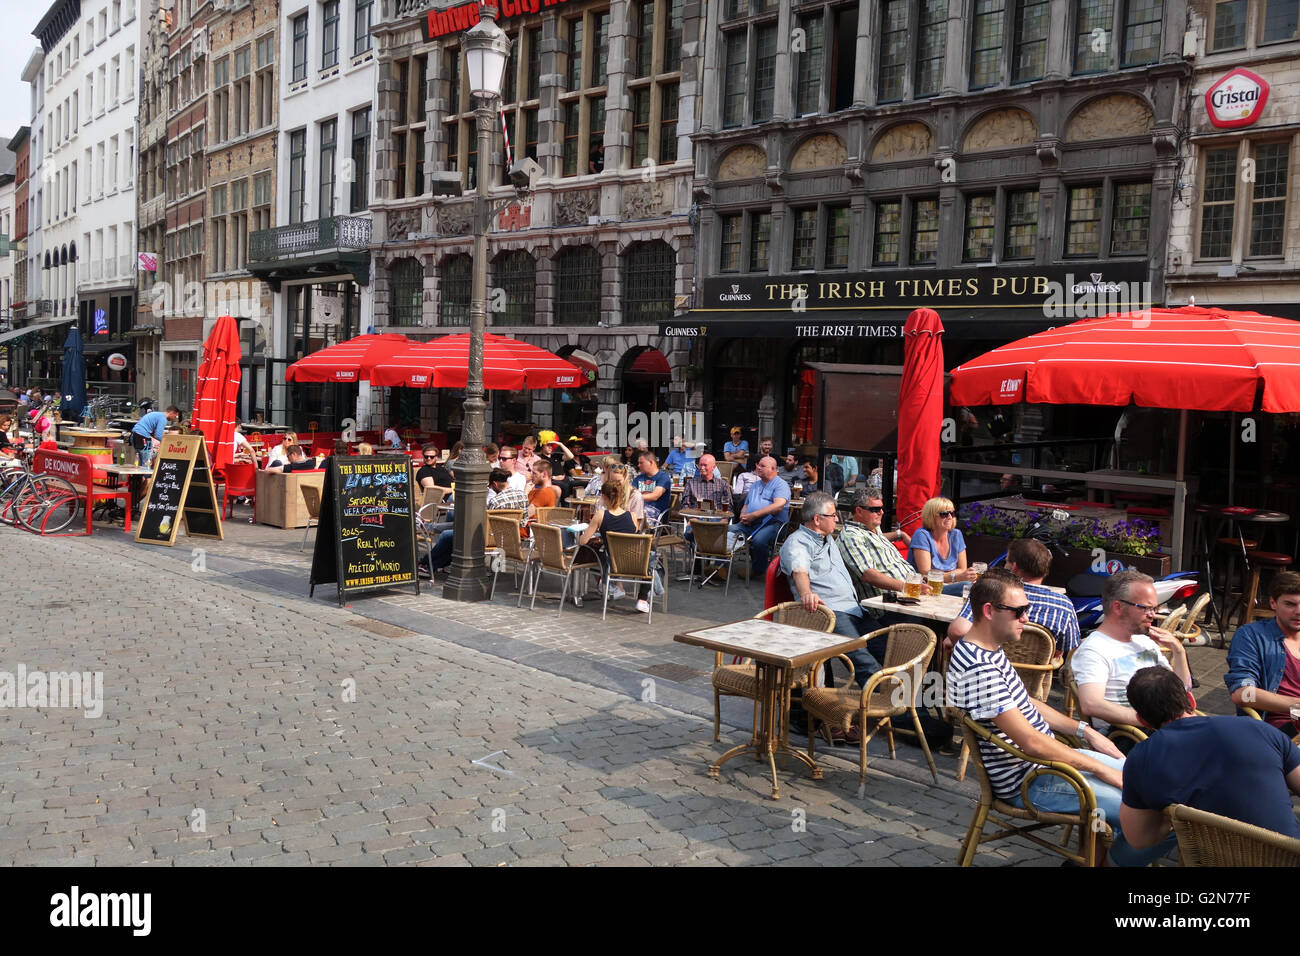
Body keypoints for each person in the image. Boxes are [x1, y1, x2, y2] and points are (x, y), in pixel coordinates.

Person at [946, 569, 1168, 866]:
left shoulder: (987, 650)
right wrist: (1101, 769)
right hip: (1029, 780)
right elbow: (1031, 743)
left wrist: (1085, 731)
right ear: (989, 611)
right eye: (1020, 611)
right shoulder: (979, 666)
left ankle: (1095, 860)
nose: (1027, 616)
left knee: (1157, 789)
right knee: (1157, 815)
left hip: (1049, 766)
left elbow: (1028, 703)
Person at [1119, 666, 1300, 848]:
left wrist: (1171, 816)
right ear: (1191, 699)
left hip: (1211, 859)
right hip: (1288, 855)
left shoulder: (1141, 760)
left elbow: (1139, 840)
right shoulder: (1259, 729)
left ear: (1142, 720)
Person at [780, 491, 884, 683]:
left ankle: (913, 710)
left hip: (856, 610)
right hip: (832, 613)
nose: (837, 519)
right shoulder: (798, 542)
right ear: (817, 519)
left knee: (893, 652)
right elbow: (799, 571)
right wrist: (807, 594)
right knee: (865, 664)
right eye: (833, 515)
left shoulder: (828, 538)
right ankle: (883, 710)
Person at [1072, 569, 1191, 735]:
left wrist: (1178, 651)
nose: (1153, 615)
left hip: (1165, 728)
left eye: (1155, 608)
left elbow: (1182, 691)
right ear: (1118, 607)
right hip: (1132, 735)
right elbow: (1091, 703)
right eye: (1146, 608)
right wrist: (1152, 720)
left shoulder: (1143, 640)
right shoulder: (1094, 650)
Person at [946, 537, 1081, 658]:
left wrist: (983, 654)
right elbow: (1065, 651)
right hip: (1034, 680)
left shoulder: (988, 591)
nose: (1005, 566)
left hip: (986, 670)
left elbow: (958, 631)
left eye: (1006, 562)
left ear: (1014, 567)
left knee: (948, 643)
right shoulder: (1064, 605)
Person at [1225, 571, 1300, 732]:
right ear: (1273, 603)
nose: (1298, 611)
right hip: (1276, 731)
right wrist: (1296, 706)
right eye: (1290, 604)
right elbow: (1242, 694)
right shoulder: (1251, 635)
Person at [837, 490, 915, 606]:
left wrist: (900, 534)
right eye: (876, 510)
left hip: (910, 594)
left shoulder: (872, 528)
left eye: (881, 508)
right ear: (859, 511)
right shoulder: (851, 536)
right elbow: (868, 575)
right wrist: (907, 587)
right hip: (893, 603)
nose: (882, 513)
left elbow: (873, 539)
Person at [731, 455, 789, 574]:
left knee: (759, 540)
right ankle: (720, 568)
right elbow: (746, 505)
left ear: (773, 469)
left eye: (762, 466)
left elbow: (778, 506)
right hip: (750, 522)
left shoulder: (781, 484)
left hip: (772, 524)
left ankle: (757, 569)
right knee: (725, 531)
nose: (758, 467)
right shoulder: (755, 485)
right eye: (758, 465)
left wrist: (754, 515)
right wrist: (743, 515)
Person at [908, 496, 978, 590]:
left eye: (952, 513)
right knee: (969, 588)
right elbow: (926, 574)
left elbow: (962, 569)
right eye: (944, 514)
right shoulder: (922, 535)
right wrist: (956, 577)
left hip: (949, 585)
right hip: (926, 588)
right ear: (931, 516)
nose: (949, 517)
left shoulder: (956, 534)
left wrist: (955, 576)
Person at [635, 451, 673, 522]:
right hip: (639, 510)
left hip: (656, 513)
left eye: (641, 463)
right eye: (638, 463)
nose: (638, 465)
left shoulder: (663, 477)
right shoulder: (638, 478)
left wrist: (635, 497)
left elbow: (655, 496)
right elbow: (631, 493)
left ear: (651, 462)